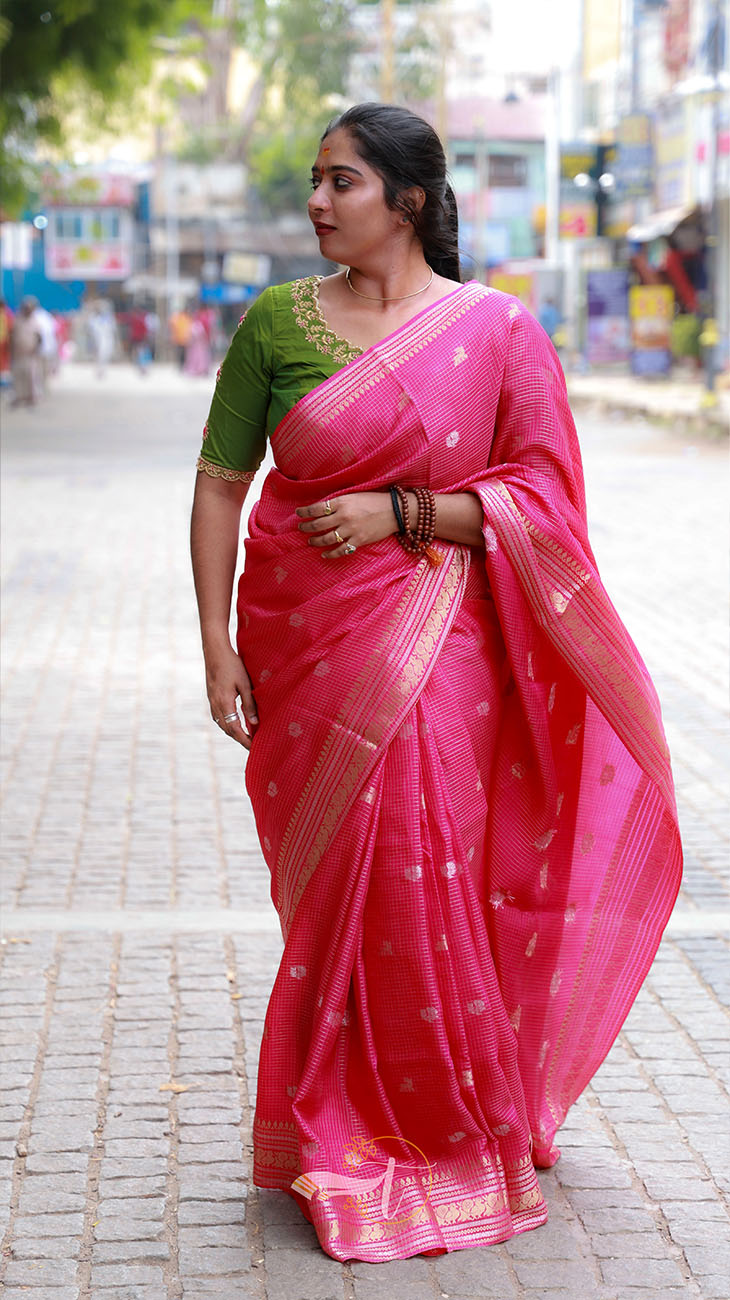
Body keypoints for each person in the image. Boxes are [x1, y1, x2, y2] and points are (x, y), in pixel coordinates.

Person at [190, 104, 681, 1263]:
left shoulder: (498, 333)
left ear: (406, 201)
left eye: (340, 181)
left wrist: (401, 512)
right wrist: (214, 644)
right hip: (305, 648)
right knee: (331, 893)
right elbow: (221, 486)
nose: (316, 202)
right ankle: (327, 1115)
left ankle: (437, 1120)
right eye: (315, 180)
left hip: (438, 654)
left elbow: (547, 509)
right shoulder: (273, 323)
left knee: (423, 868)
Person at [9, 298, 42, 406]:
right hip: (18, 354)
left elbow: (39, 337)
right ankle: (19, 396)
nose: (27, 310)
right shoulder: (18, 320)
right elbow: (12, 335)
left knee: (30, 376)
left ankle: (30, 397)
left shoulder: (35, 321)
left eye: (29, 308)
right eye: (25, 308)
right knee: (18, 375)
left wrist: (36, 350)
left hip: (30, 354)